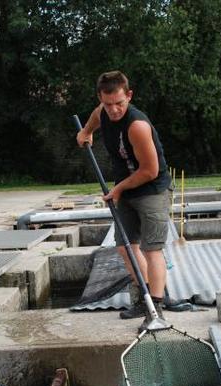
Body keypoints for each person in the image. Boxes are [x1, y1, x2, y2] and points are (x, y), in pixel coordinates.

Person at [76, 71, 171, 331]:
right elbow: (95, 118)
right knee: (125, 247)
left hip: (152, 189)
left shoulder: (137, 126)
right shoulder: (103, 112)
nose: (115, 110)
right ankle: (145, 297)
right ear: (101, 99)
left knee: (152, 249)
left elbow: (149, 171)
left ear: (128, 96)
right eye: (109, 104)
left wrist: (118, 189)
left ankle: (157, 309)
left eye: (120, 103)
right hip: (127, 189)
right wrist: (85, 132)